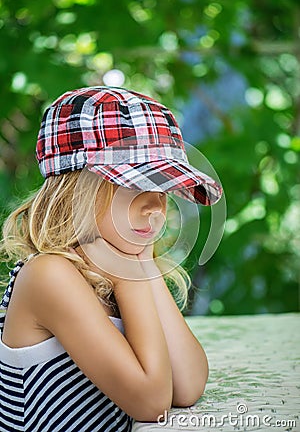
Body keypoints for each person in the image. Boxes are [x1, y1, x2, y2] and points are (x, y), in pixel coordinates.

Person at [0, 86, 222, 431]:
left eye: (163, 187)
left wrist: (144, 265)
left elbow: (188, 385)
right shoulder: (48, 274)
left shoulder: (119, 265)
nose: (156, 206)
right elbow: (152, 404)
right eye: (135, 186)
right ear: (75, 191)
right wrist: (129, 276)